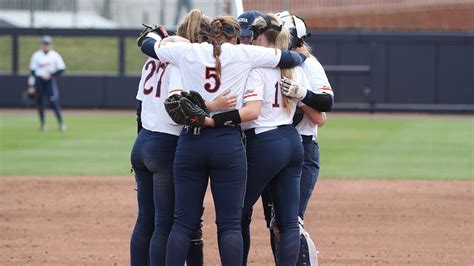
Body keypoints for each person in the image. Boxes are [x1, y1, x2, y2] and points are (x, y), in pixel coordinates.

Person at [139, 15, 305, 266]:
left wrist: (156, 36)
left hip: (191, 141)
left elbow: (147, 47)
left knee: (182, 223)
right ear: (235, 36)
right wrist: (302, 54)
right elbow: (290, 58)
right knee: (229, 225)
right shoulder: (245, 53)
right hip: (227, 141)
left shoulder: (187, 51)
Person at [130, 10, 232, 266]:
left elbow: (140, 107)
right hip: (166, 144)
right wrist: (213, 105)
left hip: (143, 141)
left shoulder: (154, 58)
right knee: (166, 224)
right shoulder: (183, 60)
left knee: (146, 221)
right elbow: (178, 109)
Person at [28, 35, 66, 131]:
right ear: (41, 45)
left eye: (47, 44)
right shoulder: (36, 55)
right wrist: (31, 85)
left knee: (54, 102)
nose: (45, 45)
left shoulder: (55, 55)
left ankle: (61, 123)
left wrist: (51, 75)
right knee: (40, 103)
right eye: (44, 43)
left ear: (50, 45)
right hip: (39, 81)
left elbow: (62, 69)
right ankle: (43, 124)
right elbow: (32, 71)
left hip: (49, 81)